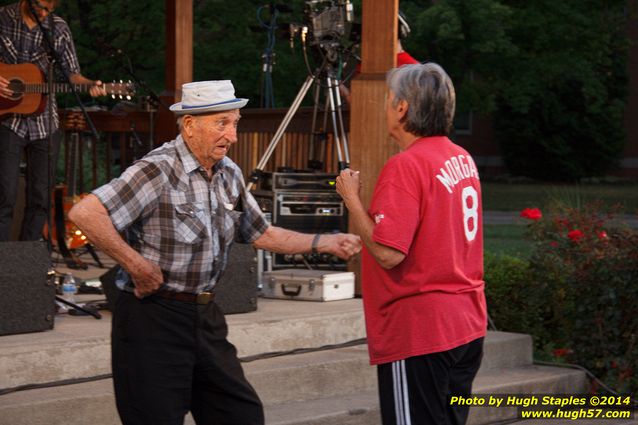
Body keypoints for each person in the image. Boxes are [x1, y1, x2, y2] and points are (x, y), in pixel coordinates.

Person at [68, 80, 362, 425]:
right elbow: (84, 213)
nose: (232, 135)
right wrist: (136, 264)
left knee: (242, 415)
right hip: (152, 318)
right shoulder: (157, 170)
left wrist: (323, 242)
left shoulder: (229, 174)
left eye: (235, 123)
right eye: (222, 123)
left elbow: (261, 233)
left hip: (204, 316)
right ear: (190, 125)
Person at [336, 63, 487, 425]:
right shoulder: (461, 157)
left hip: (421, 329)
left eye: (389, 100)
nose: (386, 106)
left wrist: (352, 199)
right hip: (466, 322)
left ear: (402, 108)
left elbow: (389, 253)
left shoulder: (407, 165)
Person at [0, 0, 105, 242]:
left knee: (40, 198)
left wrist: (89, 85)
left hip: (45, 122)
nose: (43, 12)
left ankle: (27, 264)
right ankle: (3, 266)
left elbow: (72, 74)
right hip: (7, 121)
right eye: (39, 5)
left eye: (49, 8)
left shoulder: (58, 28)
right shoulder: (3, 17)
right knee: (4, 195)